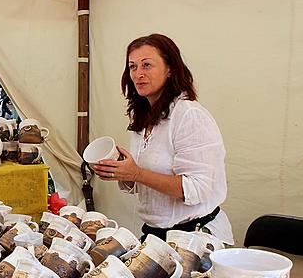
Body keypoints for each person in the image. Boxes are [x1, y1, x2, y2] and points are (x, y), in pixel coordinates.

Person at [92, 34, 233, 244]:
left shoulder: (189, 115)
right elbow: (147, 182)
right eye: (132, 67)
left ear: (170, 69)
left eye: (147, 65)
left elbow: (198, 189)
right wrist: (121, 172)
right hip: (157, 236)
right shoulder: (145, 118)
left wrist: (137, 173)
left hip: (195, 238)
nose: (138, 74)